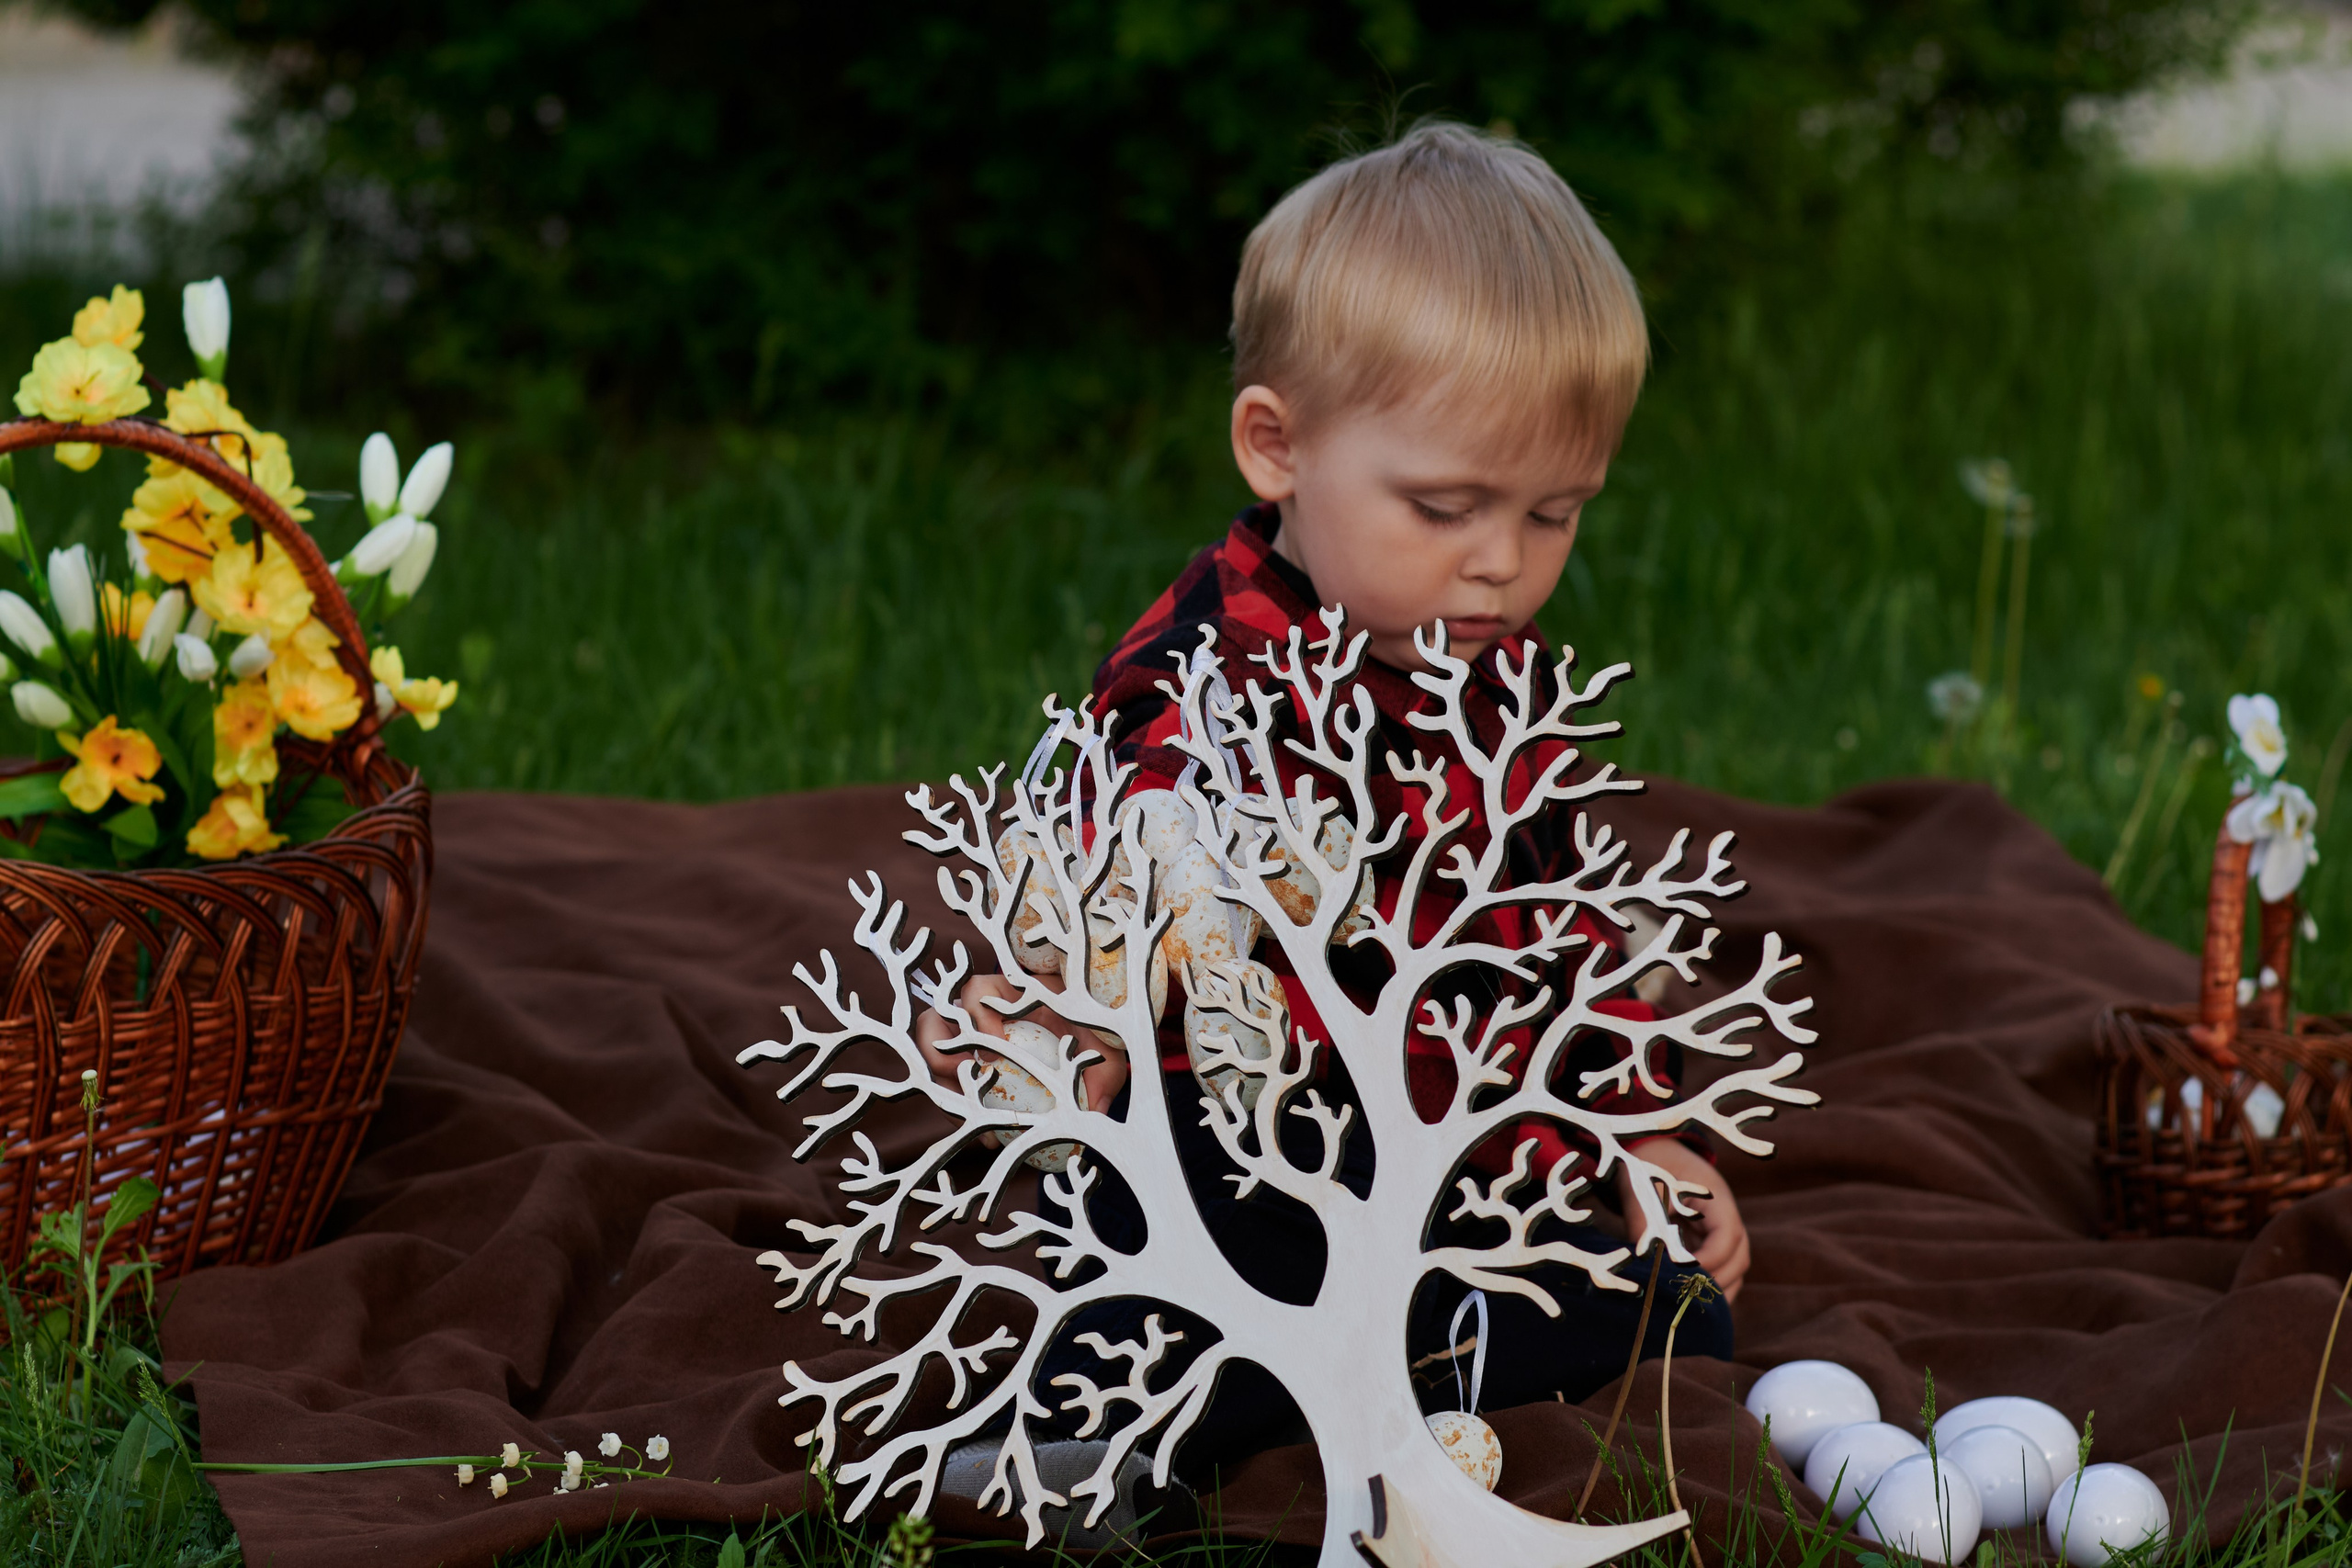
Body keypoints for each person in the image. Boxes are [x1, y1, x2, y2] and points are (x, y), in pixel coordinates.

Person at [915, 120, 1739, 1488]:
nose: (1502, 565)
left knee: (1683, 1312)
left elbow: (1565, 924)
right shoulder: (1203, 672)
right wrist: (1061, 1015)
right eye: (1446, 507)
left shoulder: (1504, 681)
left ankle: (1381, 1357)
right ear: (1277, 446)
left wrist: (1639, 1127)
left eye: (1555, 514)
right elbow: (1126, 871)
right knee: (1202, 1251)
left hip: (1446, 1151)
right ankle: (1120, 1416)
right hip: (1249, 1138)